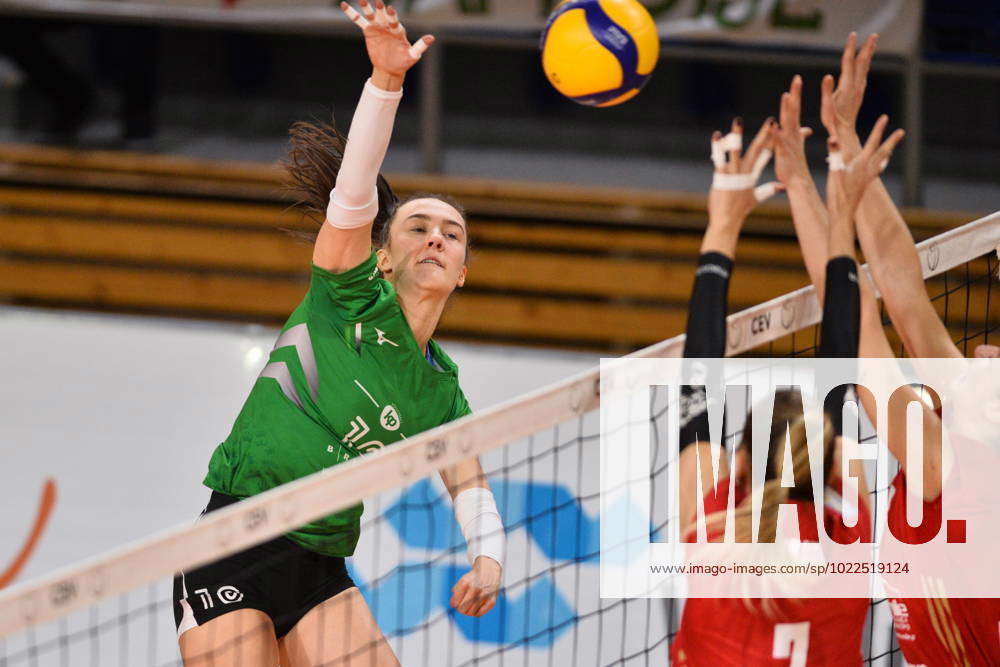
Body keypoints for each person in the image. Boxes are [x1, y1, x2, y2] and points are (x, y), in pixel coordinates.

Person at [171, 2, 504, 665]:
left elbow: (469, 483)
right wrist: (386, 82)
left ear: (462, 272)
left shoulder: (439, 391)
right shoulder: (345, 297)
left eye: (452, 232)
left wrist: (489, 558)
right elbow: (353, 196)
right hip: (235, 537)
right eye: (417, 225)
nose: (436, 235)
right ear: (383, 256)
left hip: (321, 564)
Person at [670, 99, 904, 664]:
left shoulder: (714, 527)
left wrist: (722, 225)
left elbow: (699, 384)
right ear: (833, 461)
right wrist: (839, 216)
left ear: (741, 464)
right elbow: (838, 382)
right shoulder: (846, 533)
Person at [814, 33, 1000, 666]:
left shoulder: (948, 467)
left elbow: (859, 324)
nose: (988, 353)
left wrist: (837, 195)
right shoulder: (971, 425)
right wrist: (844, 134)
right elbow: (900, 285)